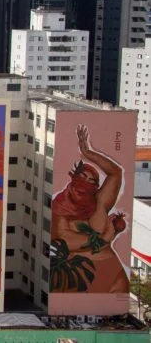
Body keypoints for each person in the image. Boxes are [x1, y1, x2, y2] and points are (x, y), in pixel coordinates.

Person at [51, 124, 129, 293]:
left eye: (92, 181)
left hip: (114, 278)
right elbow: (65, 239)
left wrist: (87, 153)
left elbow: (115, 172)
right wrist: (106, 237)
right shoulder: (60, 208)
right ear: (74, 179)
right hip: (81, 281)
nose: (86, 183)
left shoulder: (99, 203)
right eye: (82, 177)